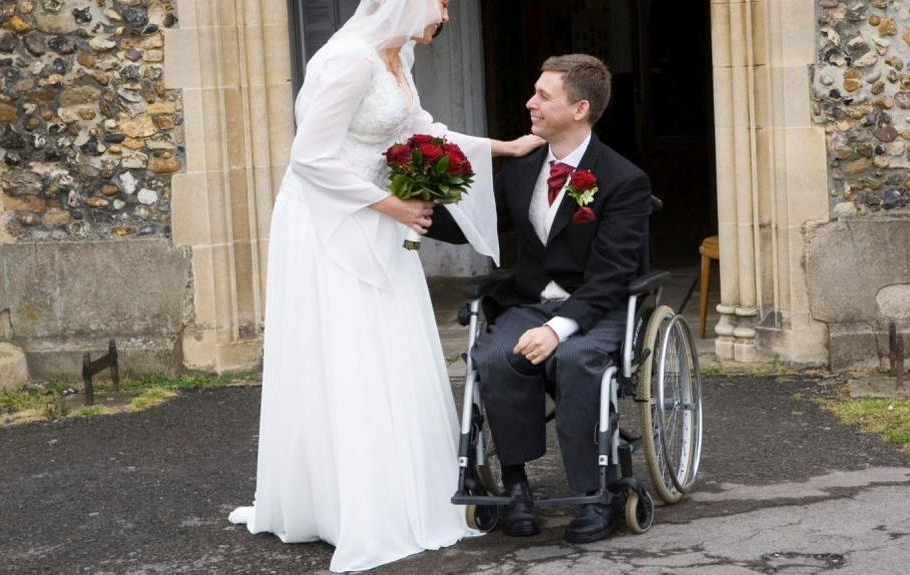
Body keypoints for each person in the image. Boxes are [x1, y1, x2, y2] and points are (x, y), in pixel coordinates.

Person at [226, 1, 542, 572]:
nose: (444, 16)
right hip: (330, 223)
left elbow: (422, 130)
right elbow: (309, 157)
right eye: (440, 3)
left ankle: (405, 493)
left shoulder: (399, 55)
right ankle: (351, 507)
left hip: (377, 222)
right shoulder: (350, 61)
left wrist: (504, 147)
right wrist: (395, 204)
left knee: (390, 353)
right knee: (350, 355)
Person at [429, 54, 653, 544]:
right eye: (534, 92)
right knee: (493, 354)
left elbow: (613, 274)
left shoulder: (623, 180)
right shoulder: (521, 166)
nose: (530, 102)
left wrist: (558, 328)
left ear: (580, 108)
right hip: (529, 301)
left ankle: (597, 494)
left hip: (598, 309)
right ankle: (515, 486)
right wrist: (411, 208)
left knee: (576, 359)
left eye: (543, 95)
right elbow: (477, 224)